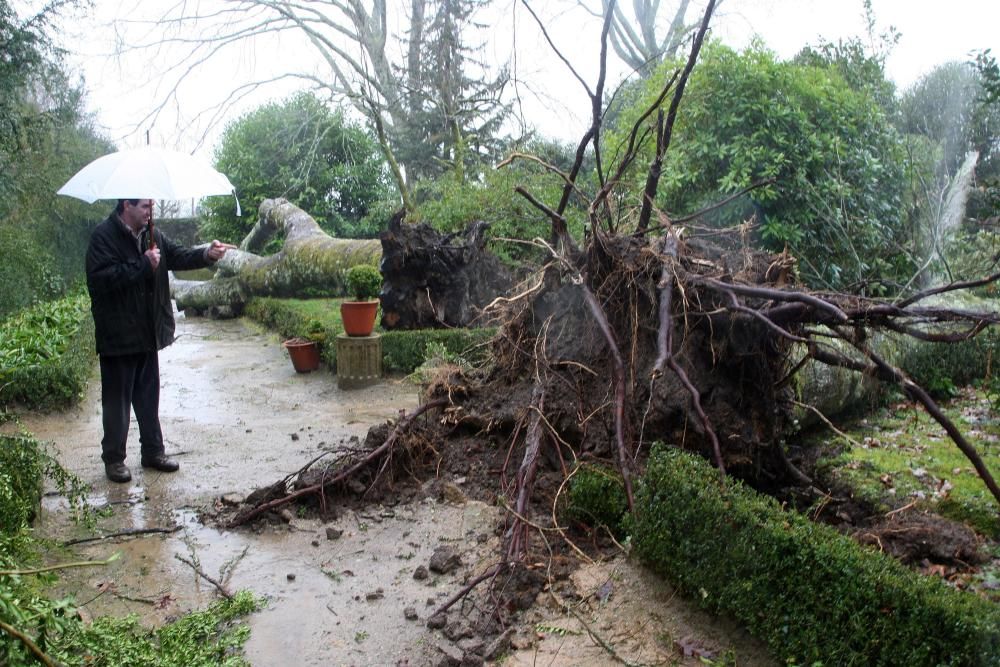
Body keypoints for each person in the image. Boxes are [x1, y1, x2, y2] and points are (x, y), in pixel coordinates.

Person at [86, 198, 234, 483]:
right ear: (125, 206)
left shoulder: (154, 234)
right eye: (143, 206)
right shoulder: (103, 236)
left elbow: (178, 256)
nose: (149, 211)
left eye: (150, 206)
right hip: (118, 336)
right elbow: (101, 280)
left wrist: (207, 254)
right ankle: (114, 460)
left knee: (148, 397)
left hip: (146, 332)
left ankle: (153, 452)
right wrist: (143, 264)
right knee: (117, 402)